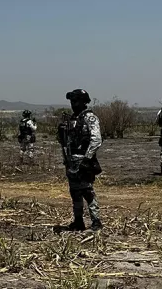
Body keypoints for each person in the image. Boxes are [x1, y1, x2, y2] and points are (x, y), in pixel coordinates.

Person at [57, 89, 103, 232]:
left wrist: (87, 158)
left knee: (88, 191)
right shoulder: (71, 119)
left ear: (83, 102)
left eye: (76, 101)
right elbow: (66, 142)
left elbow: (96, 140)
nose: (73, 104)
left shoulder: (90, 118)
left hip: (84, 159)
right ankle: (78, 221)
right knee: (74, 192)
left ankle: (96, 221)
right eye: (72, 101)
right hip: (71, 161)